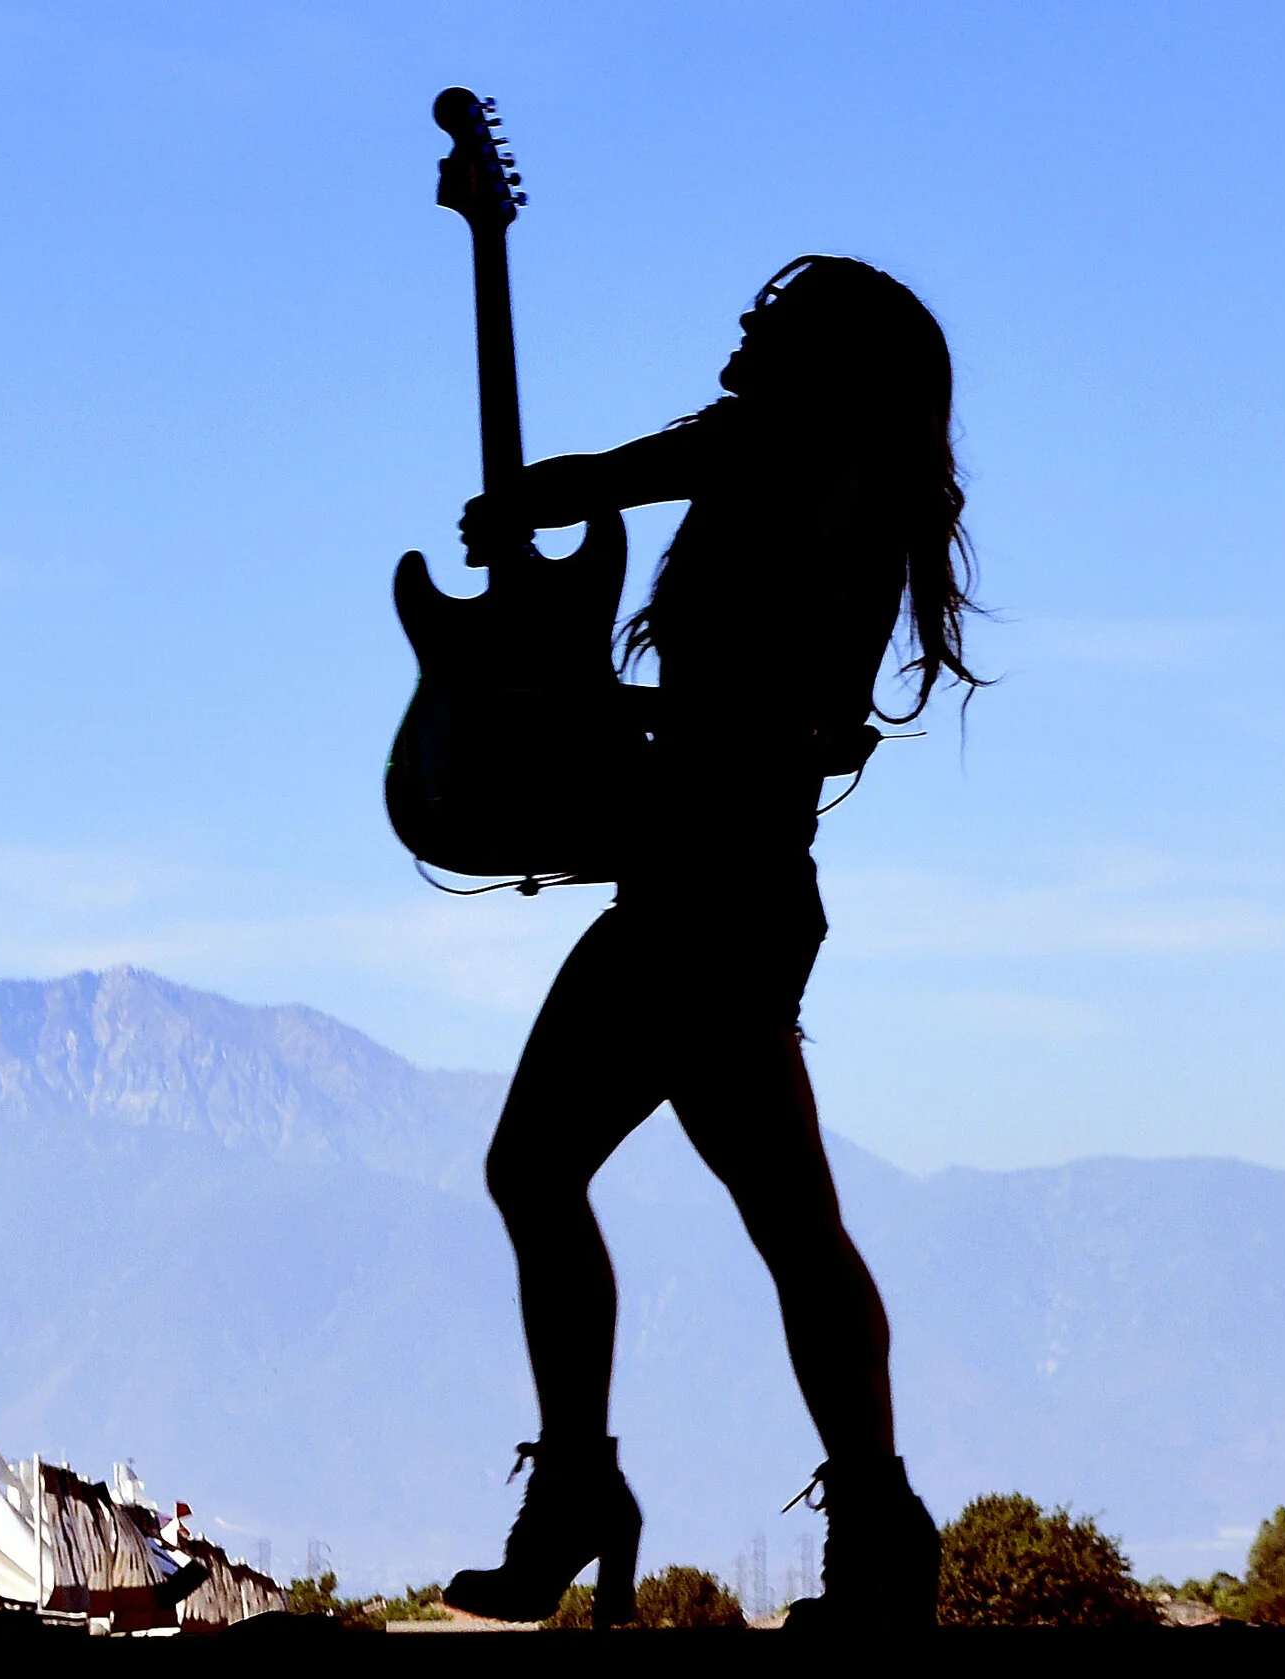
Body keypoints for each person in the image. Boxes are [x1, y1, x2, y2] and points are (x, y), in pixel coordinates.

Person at [441, 255, 980, 1631]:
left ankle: (596, 1494)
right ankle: (870, 1533)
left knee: (553, 1173)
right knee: (783, 1226)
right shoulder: (828, 480)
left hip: (708, 902)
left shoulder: (792, 458)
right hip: (726, 894)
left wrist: (547, 525)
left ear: (826, 365)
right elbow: (749, 705)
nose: (746, 326)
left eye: (776, 319)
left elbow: (645, 490)